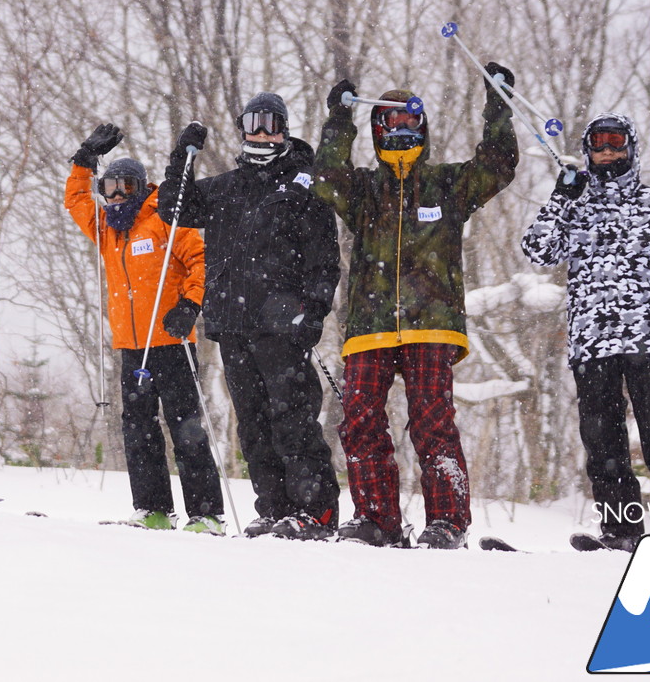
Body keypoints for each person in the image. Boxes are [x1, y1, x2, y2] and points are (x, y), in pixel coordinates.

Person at [314, 68, 518, 549]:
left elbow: (497, 166)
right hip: (370, 325)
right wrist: (339, 118)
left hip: (434, 324)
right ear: (378, 130)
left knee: (432, 420)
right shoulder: (363, 190)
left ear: (422, 128)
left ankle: (448, 522)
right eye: (391, 121)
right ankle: (376, 519)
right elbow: (326, 178)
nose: (402, 128)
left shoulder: (447, 185)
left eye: (411, 119)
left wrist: (497, 103)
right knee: (360, 417)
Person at [522, 112, 650, 551]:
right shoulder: (577, 205)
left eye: (616, 144)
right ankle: (622, 533)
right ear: (588, 152)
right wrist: (560, 198)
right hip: (592, 343)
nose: (608, 153)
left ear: (631, 148)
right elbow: (538, 249)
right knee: (603, 444)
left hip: (649, 340)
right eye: (599, 146)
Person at [158, 93, 341, 540]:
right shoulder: (225, 187)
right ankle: (274, 507)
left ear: (283, 129)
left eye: (272, 123)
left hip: (281, 322)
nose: (262, 132)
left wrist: (312, 312)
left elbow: (325, 258)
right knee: (253, 421)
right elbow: (173, 208)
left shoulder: (302, 185)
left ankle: (314, 510)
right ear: (242, 128)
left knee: (292, 417)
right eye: (254, 123)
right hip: (232, 322)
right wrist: (181, 158)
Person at [65, 124, 225, 534]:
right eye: (110, 187)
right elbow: (76, 201)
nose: (117, 196)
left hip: (171, 342)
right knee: (138, 430)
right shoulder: (107, 231)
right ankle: (153, 508)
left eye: (125, 187)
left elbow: (200, 261)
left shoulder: (164, 219)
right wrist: (84, 159)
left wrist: (191, 304)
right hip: (131, 347)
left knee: (185, 428)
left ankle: (206, 514)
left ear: (140, 187)